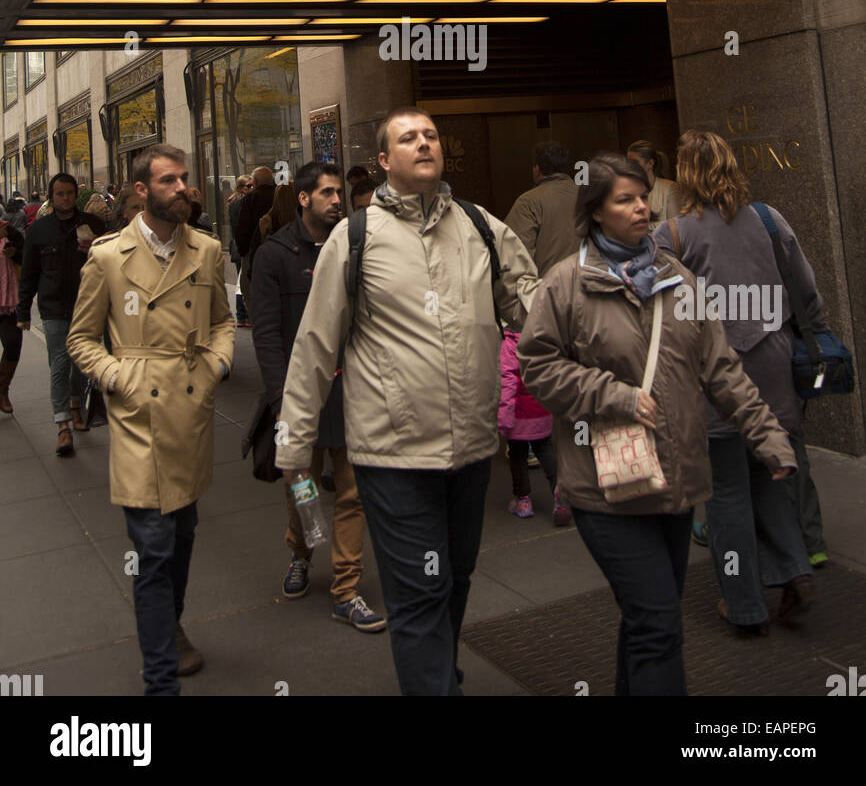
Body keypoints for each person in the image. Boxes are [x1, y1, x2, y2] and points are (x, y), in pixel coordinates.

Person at [275, 106, 539, 695]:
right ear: (384, 161)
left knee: (456, 578)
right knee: (419, 592)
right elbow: (315, 343)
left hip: (472, 448)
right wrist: (293, 439)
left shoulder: (479, 226)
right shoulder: (356, 236)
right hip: (393, 453)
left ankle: (439, 674)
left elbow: (533, 306)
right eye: (408, 138)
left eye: (431, 135)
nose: (424, 144)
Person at [517, 152, 798, 696]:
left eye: (643, 196)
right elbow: (538, 367)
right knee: (659, 624)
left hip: (675, 479)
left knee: (651, 618)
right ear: (595, 211)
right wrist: (613, 394)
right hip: (607, 487)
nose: (642, 207)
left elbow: (721, 369)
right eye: (625, 199)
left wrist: (768, 436)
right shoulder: (566, 284)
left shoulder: (679, 278)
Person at [67, 144, 235, 696]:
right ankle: (160, 680)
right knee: (154, 546)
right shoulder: (108, 257)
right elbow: (80, 340)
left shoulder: (207, 250)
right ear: (141, 190)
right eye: (169, 181)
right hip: (139, 417)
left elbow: (223, 324)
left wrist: (215, 365)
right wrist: (120, 379)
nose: (184, 188)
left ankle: (170, 626)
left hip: (191, 409)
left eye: (185, 179)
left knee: (182, 537)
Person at [654, 130, 823, 631]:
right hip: (774, 366)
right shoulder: (770, 220)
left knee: (726, 490)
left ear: (684, 175)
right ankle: (795, 568)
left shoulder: (673, 235)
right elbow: (807, 291)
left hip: (717, 377)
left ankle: (745, 604)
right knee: (769, 478)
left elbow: (665, 314)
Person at [251, 161, 385, 630]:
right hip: (299, 392)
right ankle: (301, 551)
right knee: (302, 488)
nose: (336, 200)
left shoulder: (356, 244)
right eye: (326, 193)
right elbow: (266, 334)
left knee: (352, 491)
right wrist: (278, 398)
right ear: (303, 198)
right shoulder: (275, 255)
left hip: (352, 388)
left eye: (337, 193)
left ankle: (346, 587)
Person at [16, 173, 106, 455]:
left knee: (81, 362)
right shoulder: (40, 230)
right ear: (51, 197)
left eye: (69, 193)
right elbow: (29, 273)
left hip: (87, 305)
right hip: (53, 307)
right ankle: (62, 425)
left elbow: (113, 262)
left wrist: (96, 249)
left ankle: (76, 405)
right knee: (59, 363)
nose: (65, 199)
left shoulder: (92, 225)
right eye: (59, 194)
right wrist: (23, 310)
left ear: (74, 194)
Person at [498, 324, 569, 525]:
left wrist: (503, 419)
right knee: (546, 451)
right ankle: (560, 493)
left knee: (518, 456)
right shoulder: (544, 338)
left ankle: (523, 501)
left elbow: (508, 382)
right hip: (542, 410)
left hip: (519, 415)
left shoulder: (509, 344)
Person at [505, 142, 579, 276]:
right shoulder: (587, 196)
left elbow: (516, 254)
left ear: (537, 169)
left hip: (551, 288)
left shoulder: (528, 202)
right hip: (590, 286)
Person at [234, 166, 275, 317]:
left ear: (255, 182)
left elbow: (242, 229)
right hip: (278, 252)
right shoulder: (280, 196)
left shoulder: (250, 199)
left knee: (251, 291)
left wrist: (244, 252)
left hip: (255, 252)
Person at [626, 139, 682, 226]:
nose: (630, 166)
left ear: (650, 163)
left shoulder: (670, 188)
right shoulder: (629, 190)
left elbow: (676, 227)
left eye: (635, 162)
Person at [0, 216, 24, 414]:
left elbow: (25, 257)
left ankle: (2, 390)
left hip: (8, 301)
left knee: (13, 344)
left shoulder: (9, 231)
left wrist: (13, 249)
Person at [227, 175, 253, 325]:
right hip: (242, 246)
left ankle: (242, 315)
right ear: (241, 188)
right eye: (248, 186)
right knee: (242, 281)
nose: (251, 189)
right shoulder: (242, 202)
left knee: (240, 280)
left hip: (237, 245)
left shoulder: (233, 202)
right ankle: (243, 314)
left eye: (252, 186)